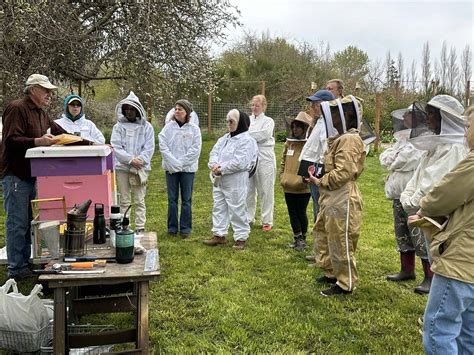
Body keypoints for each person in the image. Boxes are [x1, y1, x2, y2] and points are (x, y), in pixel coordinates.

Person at [0, 74, 92, 279]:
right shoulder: (17, 108)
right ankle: (16, 269)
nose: (50, 94)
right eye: (46, 90)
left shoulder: (41, 112)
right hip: (15, 174)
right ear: (33, 89)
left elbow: (61, 134)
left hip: (32, 174)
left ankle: (24, 263)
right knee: (17, 222)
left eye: (50, 91)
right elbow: (11, 140)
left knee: (29, 221)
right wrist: (37, 141)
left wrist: (91, 144)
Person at [408, 106, 474, 354]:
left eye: (468, 127)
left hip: (461, 261)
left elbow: (441, 195)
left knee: (438, 327)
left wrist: (425, 206)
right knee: (468, 332)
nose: (466, 132)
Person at [400, 94, 467, 294]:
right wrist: (408, 198)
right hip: (429, 217)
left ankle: (438, 317)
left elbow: (431, 188)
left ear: (444, 118)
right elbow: (417, 179)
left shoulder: (454, 149)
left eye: (431, 115)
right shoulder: (436, 147)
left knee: (444, 271)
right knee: (435, 261)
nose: (427, 119)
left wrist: (410, 201)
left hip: (445, 223)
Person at [307, 95, 365, 296]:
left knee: (341, 238)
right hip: (331, 196)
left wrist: (320, 180)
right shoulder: (340, 139)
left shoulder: (349, 139)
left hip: (343, 197)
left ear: (345, 115)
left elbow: (344, 172)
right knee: (324, 232)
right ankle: (331, 272)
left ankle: (345, 283)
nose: (331, 117)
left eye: (333, 113)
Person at [380, 106, 425, 282]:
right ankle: (407, 270)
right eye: (405, 115)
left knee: (418, 233)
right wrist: (393, 160)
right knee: (402, 232)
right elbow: (385, 157)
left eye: (408, 115)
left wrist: (393, 160)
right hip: (398, 193)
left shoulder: (422, 139)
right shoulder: (403, 139)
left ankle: (429, 275)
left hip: (414, 195)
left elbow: (405, 160)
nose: (405, 117)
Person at [203, 109, 257, 250]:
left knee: (237, 208)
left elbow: (241, 162)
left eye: (231, 121)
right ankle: (219, 234)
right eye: (227, 121)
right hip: (220, 179)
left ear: (240, 123)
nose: (228, 124)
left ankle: (241, 237)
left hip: (236, 180)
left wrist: (221, 168)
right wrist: (214, 165)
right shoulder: (225, 138)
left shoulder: (247, 141)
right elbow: (213, 153)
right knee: (219, 206)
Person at [111, 91, 155, 233]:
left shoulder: (147, 127)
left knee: (139, 199)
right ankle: (126, 226)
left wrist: (140, 160)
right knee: (124, 199)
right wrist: (130, 160)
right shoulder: (118, 127)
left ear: (137, 110)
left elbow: (149, 147)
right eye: (127, 109)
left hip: (140, 168)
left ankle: (140, 227)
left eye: (132, 109)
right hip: (123, 168)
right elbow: (116, 147)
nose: (129, 112)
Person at [159, 99, 202, 238]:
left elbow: (195, 150)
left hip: (187, 170)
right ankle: (172, 228)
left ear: (187, 112)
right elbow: (163, 147)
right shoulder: (167, 128)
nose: (177, 111)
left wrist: (180, 163)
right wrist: (173, 163)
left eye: (180, 109)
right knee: (172, 199)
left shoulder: (194, 129)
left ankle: (185, 229)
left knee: (186, 199)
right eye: (176, 109)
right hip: (171, 170)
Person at [299, 89, 335, 222]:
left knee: (320, 209)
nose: (312, 107)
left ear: (327, 105)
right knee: (317, 206)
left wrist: (317, 174)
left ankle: (322, 240)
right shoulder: (320, 121)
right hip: (312, 171)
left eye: (316, 103)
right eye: (312, 104)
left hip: (318, 174)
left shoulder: (327, 124)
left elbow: (325, 151)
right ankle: (319, 239)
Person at [279, 111, 312, 251]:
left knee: (301, 211)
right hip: (288, 184)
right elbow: (283, 160)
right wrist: (282, 175)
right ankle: (297, 237)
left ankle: (303, 238)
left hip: (303, 186)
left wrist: (304, 179)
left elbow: (311, 162)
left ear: (305, 129)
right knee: (292, 212)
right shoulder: (289, 143)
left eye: (299, 127)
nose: (295, 129)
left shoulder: (309, 144)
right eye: (294, 127)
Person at [247, 94, 276, 231]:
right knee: (249, 189)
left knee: (265, 189)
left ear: (263, 106)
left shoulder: (269, 121)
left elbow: (263, 135)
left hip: (265, 156)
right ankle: (248, 218)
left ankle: (267, 220)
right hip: (249, 156)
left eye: (257, 105)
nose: (254, 108)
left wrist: (247, 135)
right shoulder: (247, 120)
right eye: (252, 105)